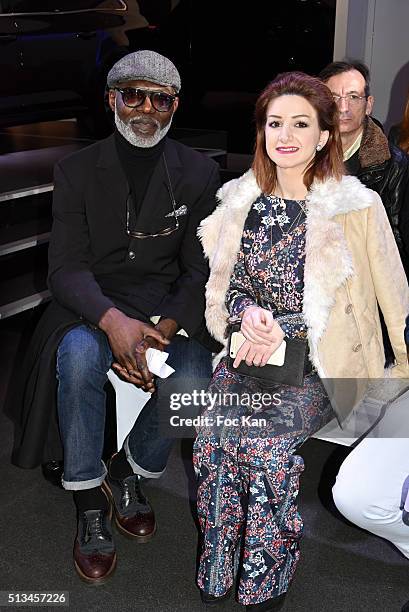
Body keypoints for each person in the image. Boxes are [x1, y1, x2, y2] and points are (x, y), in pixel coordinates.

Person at [193, 71, 409, 611]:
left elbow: (394, 292)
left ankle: (267, 575)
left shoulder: (357, 206)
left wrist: (404, 373)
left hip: (323, 363)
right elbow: (227, 288)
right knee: (212, 443)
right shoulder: (241, 202)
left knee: (264, 450)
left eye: (300, 123)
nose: (284, 135)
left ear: (322, 136)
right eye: (274, 123)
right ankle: (219, 559)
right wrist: (250, 317)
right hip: (250, 354)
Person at [7, 50, 221, 584]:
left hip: (164, 308)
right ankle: (87, 498)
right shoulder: (75, 170)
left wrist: (165, 329)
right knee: (79, 355)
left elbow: (199, 271)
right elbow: (65, 268)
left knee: (194, 377)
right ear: (112, 100)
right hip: (91, 303)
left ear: (174, 105)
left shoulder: (199, 172)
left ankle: (129, 473)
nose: (145, 108)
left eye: (160, 98)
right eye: (133, 95)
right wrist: (112, 322)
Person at [318, 60, 409, 276]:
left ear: (368, 105)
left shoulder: (394, 166)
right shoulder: (300, 157)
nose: (343, 107)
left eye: (353, 97)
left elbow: (397, 246)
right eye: (334, 97)